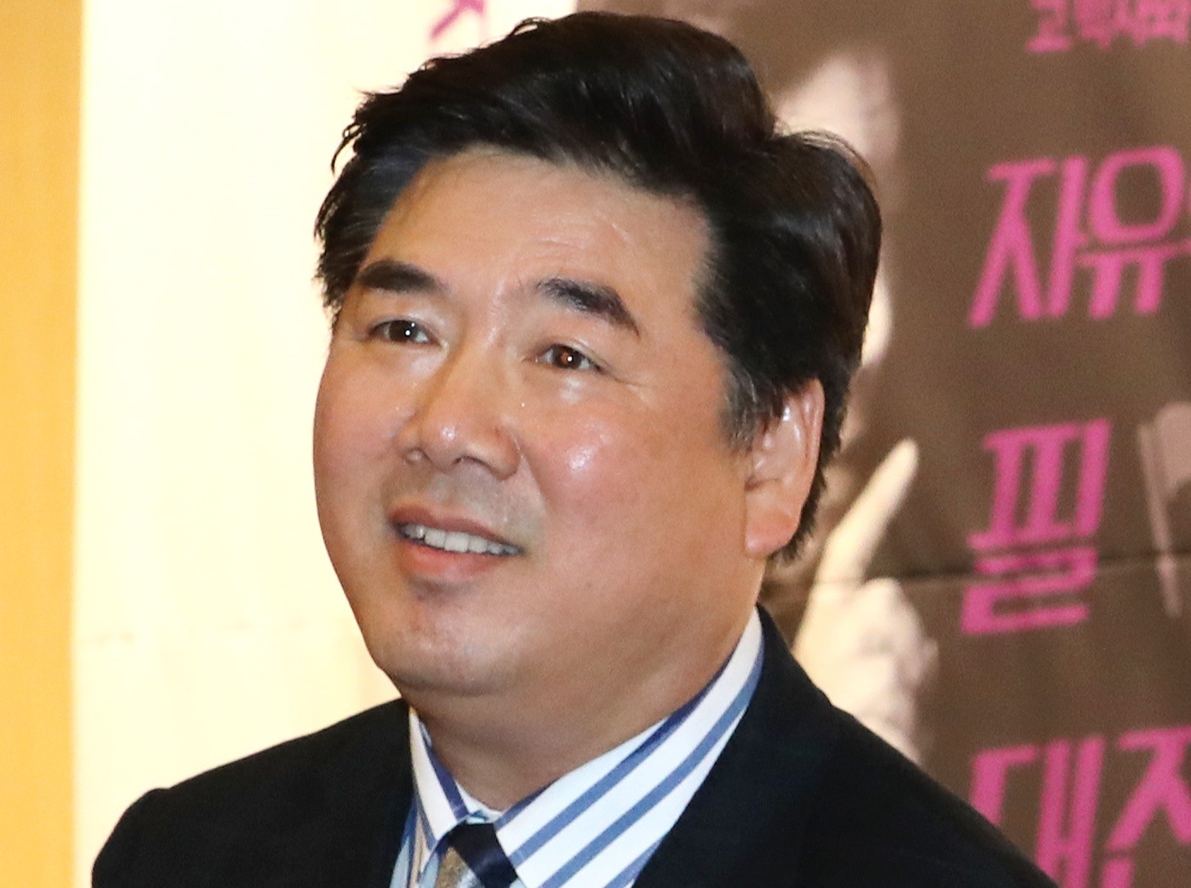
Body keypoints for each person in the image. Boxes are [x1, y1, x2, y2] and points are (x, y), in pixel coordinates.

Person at [93, 13, 1056, 888]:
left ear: (771, 455)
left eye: (564, 355)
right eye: (404, 330)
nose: (446, 427)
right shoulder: (186, 857)